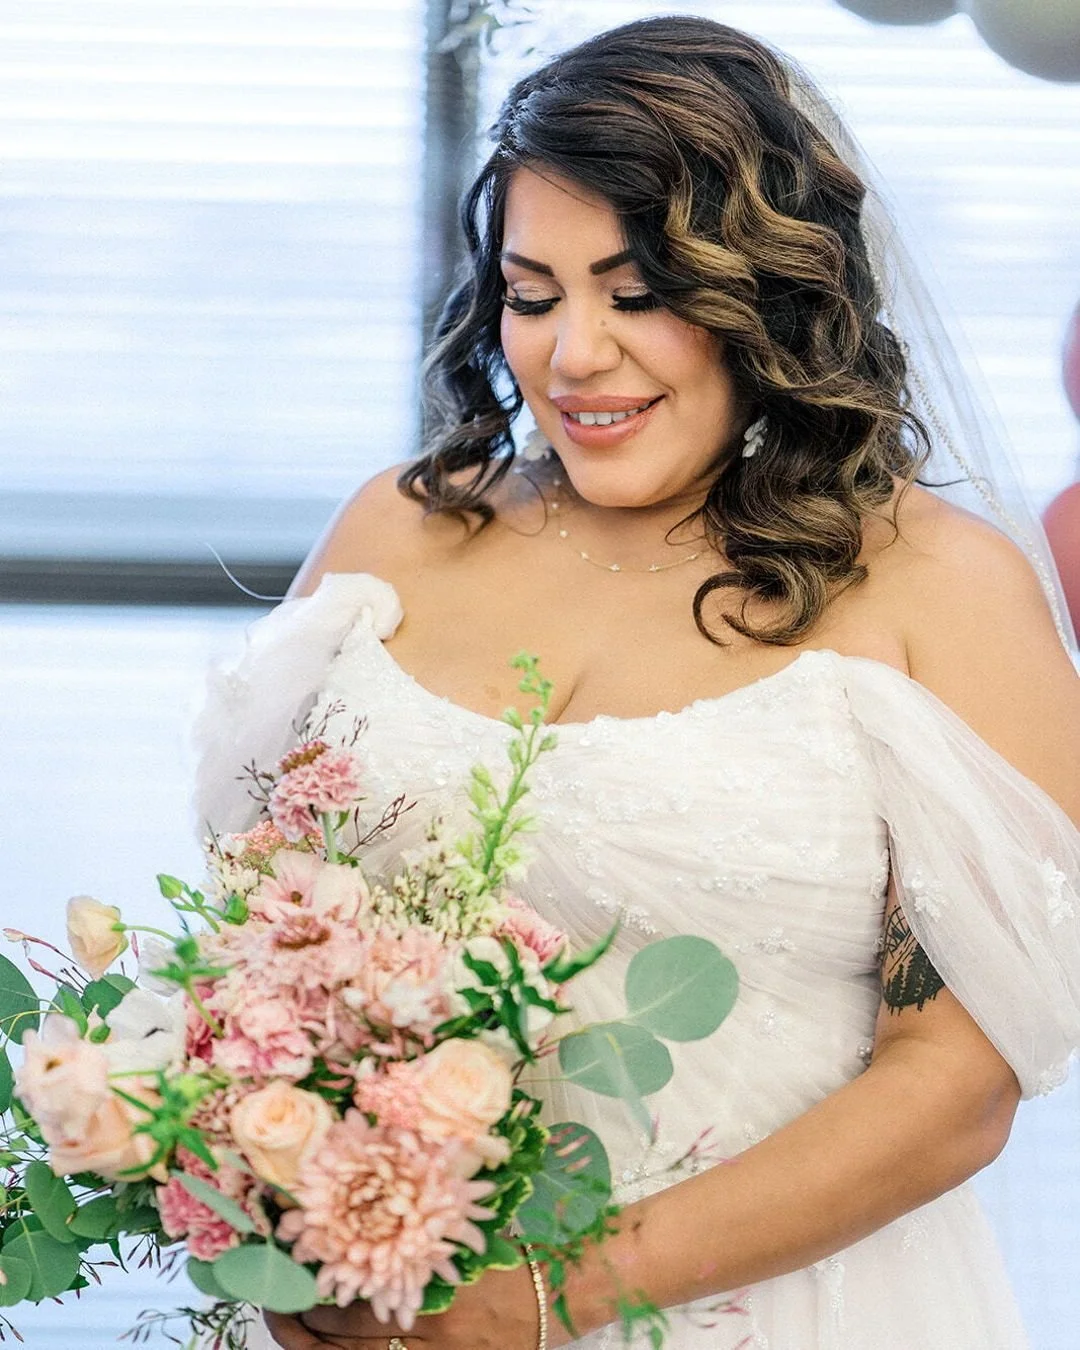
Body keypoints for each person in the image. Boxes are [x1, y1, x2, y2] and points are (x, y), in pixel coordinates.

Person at [194, 16, 1080, 1350]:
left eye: (638, 290)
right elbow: (261, 945)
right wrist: (294, 1222)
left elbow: (957, 1079)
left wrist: (549, 1297)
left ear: (769, 291)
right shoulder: (397, 529)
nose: (573, 356)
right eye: (535, 292)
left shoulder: (942, 589)